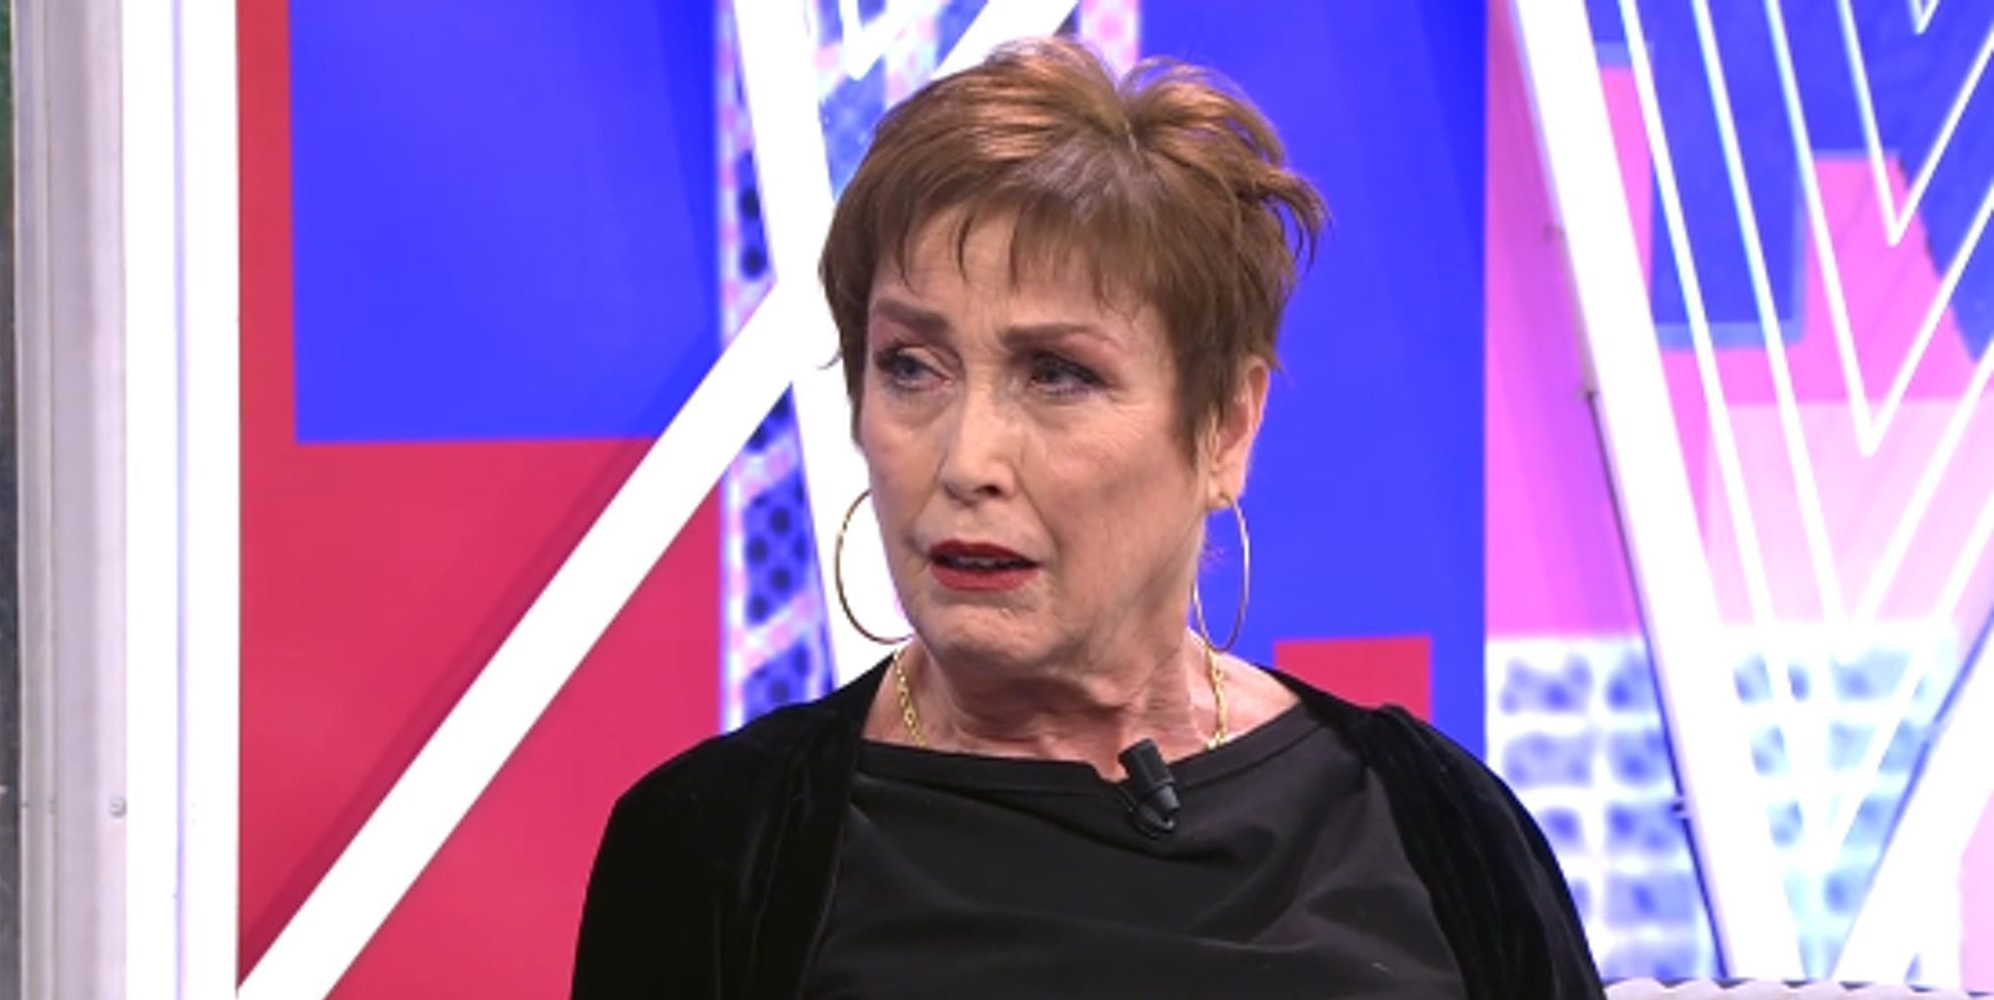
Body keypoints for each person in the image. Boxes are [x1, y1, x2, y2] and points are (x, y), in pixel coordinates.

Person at [573, 36, 1602, 999]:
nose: (967, 461)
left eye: (1056, 374)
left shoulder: (1430, 819)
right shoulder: (721, 846)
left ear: (1225, 426)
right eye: (911, 367)